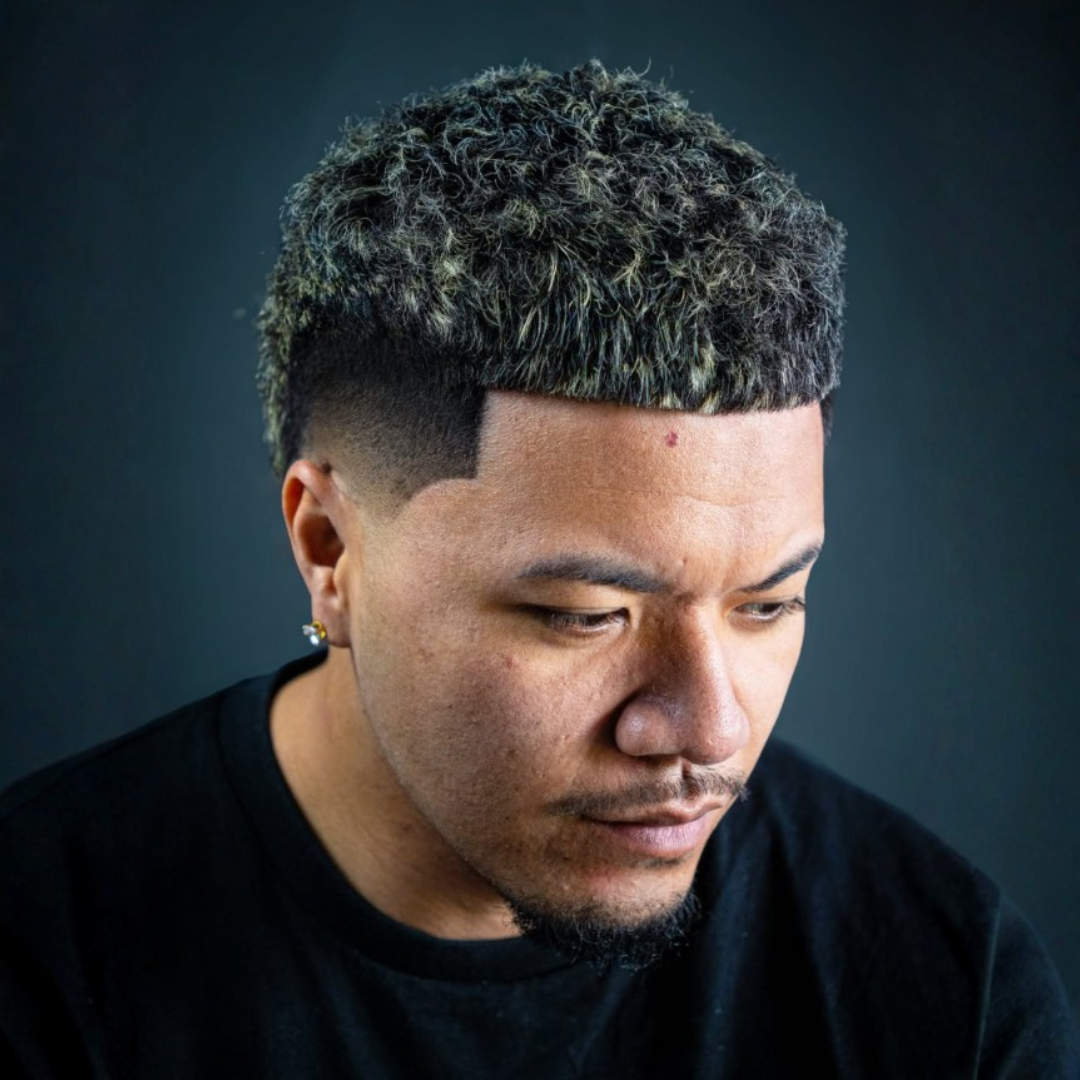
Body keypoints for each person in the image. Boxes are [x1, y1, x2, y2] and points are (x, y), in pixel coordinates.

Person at [1, 60, 1076, 1079]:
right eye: (585, 615)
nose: (712, 732)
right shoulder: (43, 971)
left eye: (770, 602)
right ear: (329, 550)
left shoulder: (948, 998)